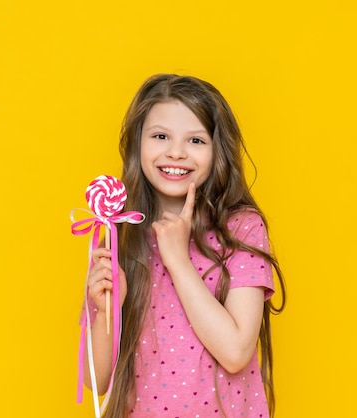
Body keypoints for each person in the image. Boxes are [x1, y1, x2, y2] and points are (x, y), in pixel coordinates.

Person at [85, 74, 285, 417]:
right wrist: (106, 310)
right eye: (160, 136)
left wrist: (178, 260)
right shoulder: (118, 233)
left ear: (217, 150)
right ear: (138, 144)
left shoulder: (241, 228)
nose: (175, 152)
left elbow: (236, 352)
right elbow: (97, 381)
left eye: (195, 140)